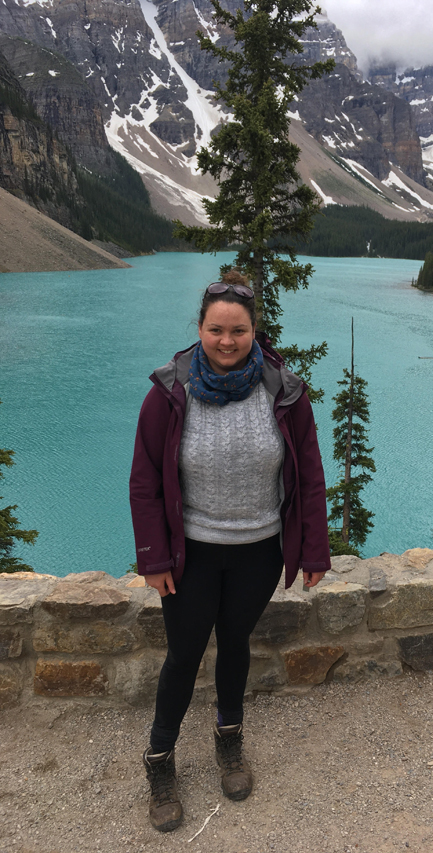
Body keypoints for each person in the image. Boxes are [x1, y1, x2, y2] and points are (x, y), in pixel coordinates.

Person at [129, 269, 331, 832]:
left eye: (238, 330)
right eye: (216, 329)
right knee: (184, 655)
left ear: (254, 332)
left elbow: (308, 474)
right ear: (200, 328)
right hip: (190, 555)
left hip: (258, 552)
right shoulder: (170, 393)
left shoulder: (283, 391)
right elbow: (144, 481)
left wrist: (312, 550)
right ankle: (160, 760)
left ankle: (228, 737)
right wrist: (154, 559)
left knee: (236, 642)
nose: (226, 341)